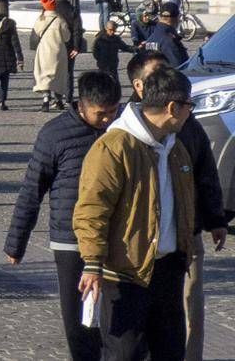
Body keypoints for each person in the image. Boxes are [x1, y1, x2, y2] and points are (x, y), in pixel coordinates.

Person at [74, 67, 202, 360]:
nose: (190, 113)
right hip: (126, 272)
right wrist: (92, 262)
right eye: (189, 105)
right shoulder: (114, 146)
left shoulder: (175, 147)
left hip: (168, 269)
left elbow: (185, 201)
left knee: (170, 352)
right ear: (173, 107)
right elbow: (92, 208)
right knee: (124, 354)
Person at [4, 71, 123, 361]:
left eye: (113, 111)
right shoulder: (54, 134)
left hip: (118, 236)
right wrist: (16, 242)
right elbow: (33, 188)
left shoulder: (123, 129)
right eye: (101, 113)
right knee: (79, 317)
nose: (108, 119)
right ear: (82, 105)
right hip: (70, 240)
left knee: (119, 316)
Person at [126, 51, 231, 361]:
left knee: (189, 303)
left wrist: (215, 218)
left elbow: (205, 169)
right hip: (138, 242)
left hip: (186, 232)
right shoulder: (124, 129)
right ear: (139, 85)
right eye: (156, 75)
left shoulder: (186, 121)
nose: (166, 80)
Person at [33, 0, 73, 112]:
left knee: (44, 74)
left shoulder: (40, 19)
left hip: (44, 50)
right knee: (59, 75)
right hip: (58, 50)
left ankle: (45, 99)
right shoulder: (60, 20)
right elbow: (67, 37)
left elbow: (37, 31)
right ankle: (59, 100)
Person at [91, 21, 135, 87]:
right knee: (103, 85)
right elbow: (95, 51)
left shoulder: (116, 39)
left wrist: (136, 48)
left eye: (114, 30)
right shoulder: (99, 39)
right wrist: (101, 59)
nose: (112, 32)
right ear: (106, 28)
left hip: (113, 66)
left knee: (115, 86)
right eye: (110, 30)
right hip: (103, 66)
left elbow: (125, 47)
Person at [145, 3, 189, 68]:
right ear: (176, 18)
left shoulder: (150, 39)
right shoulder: (169, 40)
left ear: (160, 17)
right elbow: (180, 67)